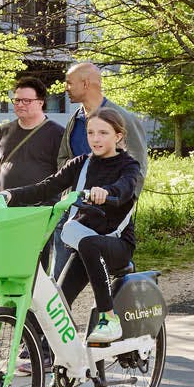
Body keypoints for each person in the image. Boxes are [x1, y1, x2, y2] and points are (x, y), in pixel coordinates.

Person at [0, 108, 143, 350]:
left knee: (89, 244)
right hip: (86, 248)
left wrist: (106, 193)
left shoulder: (128, 166)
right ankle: (62, 370)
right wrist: (10, 195)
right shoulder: (81, 164)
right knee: (58, 304)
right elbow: (47, 186)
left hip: (115, 245)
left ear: (118, 136)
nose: (96, 138)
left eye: (103, 133)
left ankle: (108, 317)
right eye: (91, 132)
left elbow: (124, 187)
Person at [54, 62, 148, 275]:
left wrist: (121, 203)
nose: (65, 88)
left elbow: (138, 166)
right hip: (73, 210)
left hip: (107, 212)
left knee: (102, 275)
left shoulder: (122, 118)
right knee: (59, 277)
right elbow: (63, 158)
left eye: (69, 83)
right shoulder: (75, 119)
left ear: (85, 84)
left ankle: (110, 304)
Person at [0, 76, 63, 195]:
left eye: (26, 101)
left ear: (40, 102)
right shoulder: (3, 131)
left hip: (42, 208)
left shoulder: (58, 133)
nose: (20, 105)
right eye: (17, 100)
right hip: (6, 207)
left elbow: (65, 174)